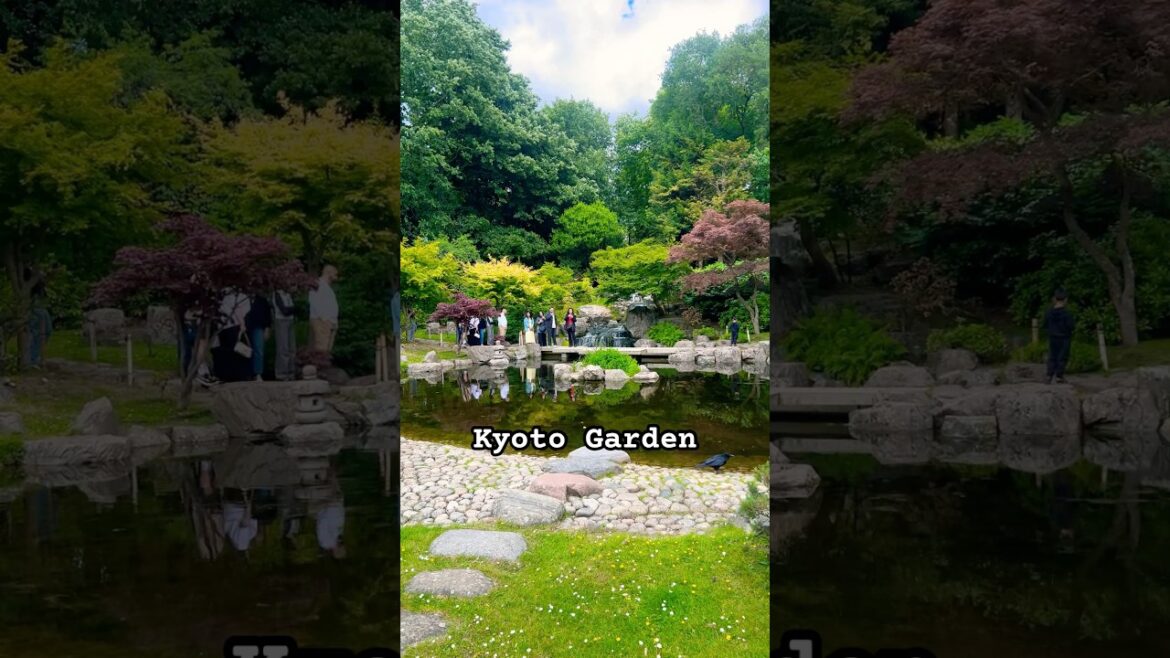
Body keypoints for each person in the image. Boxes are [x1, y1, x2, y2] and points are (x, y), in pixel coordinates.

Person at [1044, 288, 1076, 385]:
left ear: (1054, 299)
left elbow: (1045, 324)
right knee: (1062, 356)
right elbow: (1071, 326)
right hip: (1064, 337)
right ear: (1065, 300)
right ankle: (1059, 376)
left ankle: (1049, 375)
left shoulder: (1049, 312)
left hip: (1052, 337)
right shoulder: (1067, 314)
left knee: (1052, 356)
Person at [308, 265, 340, 356]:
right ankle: (320, 368)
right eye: (335, 274)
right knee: (321, 348)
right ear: (328, 273)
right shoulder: (317, 284)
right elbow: (314, 302)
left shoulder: (327, 287)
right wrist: (324, 319)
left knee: (327, 350)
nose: (336, 276)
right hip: (322, 321)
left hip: (330, 321)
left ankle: (324, 367)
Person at [26, 267, 51, 369]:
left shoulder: (37, 276)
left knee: (46, 331)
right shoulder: (29, 276)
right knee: (36, 332)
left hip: (39, 307)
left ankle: (34, 357)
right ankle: (32, 360)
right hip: (34, 307)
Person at [245, 294, 273, 381]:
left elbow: (267, 314)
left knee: (258, 349)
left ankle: (258, 373)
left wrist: (267, 328)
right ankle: (247, 373)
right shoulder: (242, 298)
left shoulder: (262, 300)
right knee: (244, 350)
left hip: (259, 326)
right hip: (244, 326)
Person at [271, 290, 297, 381]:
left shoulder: (288, 294)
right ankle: (281, 374)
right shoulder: (277, 294)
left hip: (290, 320)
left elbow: (296, 308)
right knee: (283, 348)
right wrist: (293, 309)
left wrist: (293, 309)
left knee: (292, 348)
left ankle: (291, 373)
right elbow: (284, 310)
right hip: (281, 320)